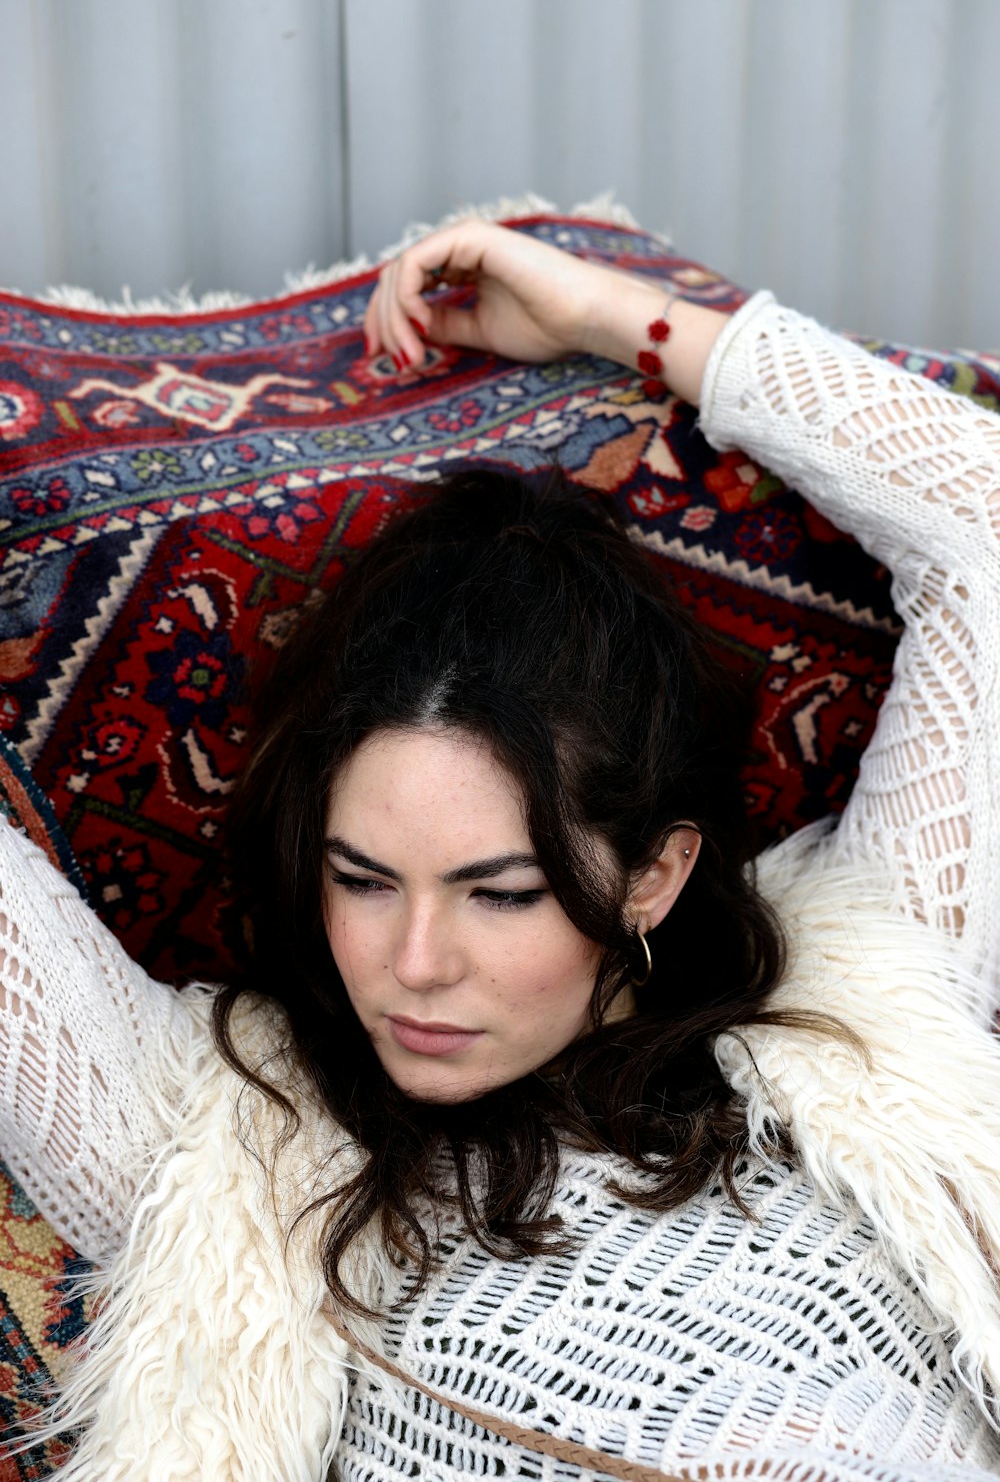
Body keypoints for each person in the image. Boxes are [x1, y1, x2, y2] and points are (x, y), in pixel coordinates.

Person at [1, 218, 999, 1482]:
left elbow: (987, 529)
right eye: (361, 879)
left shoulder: (862, 1021)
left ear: (656, 871)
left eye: (502, 892)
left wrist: (603, 318)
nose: (412, 965)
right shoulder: (228, 1154)